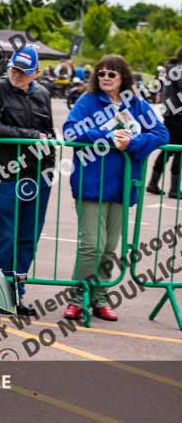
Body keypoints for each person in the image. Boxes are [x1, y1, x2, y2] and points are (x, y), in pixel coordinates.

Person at [63, 55, 168, 321]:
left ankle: (100, 298)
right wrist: (107, 137)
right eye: (102, 74)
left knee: (109, 247)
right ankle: (78, 298)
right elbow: (70, 131)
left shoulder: (137, 104)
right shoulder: (87, 102)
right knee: (91, 246)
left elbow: (161, 134)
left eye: (112, 73)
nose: (106, 78)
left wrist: (131, 142)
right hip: (91, 185)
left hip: (122, 187)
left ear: (123, 78)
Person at [0, 46, 56, 316]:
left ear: (36, 73)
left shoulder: (42, 93)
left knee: (28, 237)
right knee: (6, 235)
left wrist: (49, 168)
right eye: (14, 69)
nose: (17, 75)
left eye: (24, 72)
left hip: (38, 176)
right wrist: (32, 136)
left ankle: (16, 293)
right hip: (7, 172)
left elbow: (50, 133)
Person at [147, 50, 182, 198]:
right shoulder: (178, 69)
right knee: (178, 151)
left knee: (168, 151)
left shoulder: (172, 68)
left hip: (171, 115)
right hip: (178, 116)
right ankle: (173, 189)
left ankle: (153, 183)